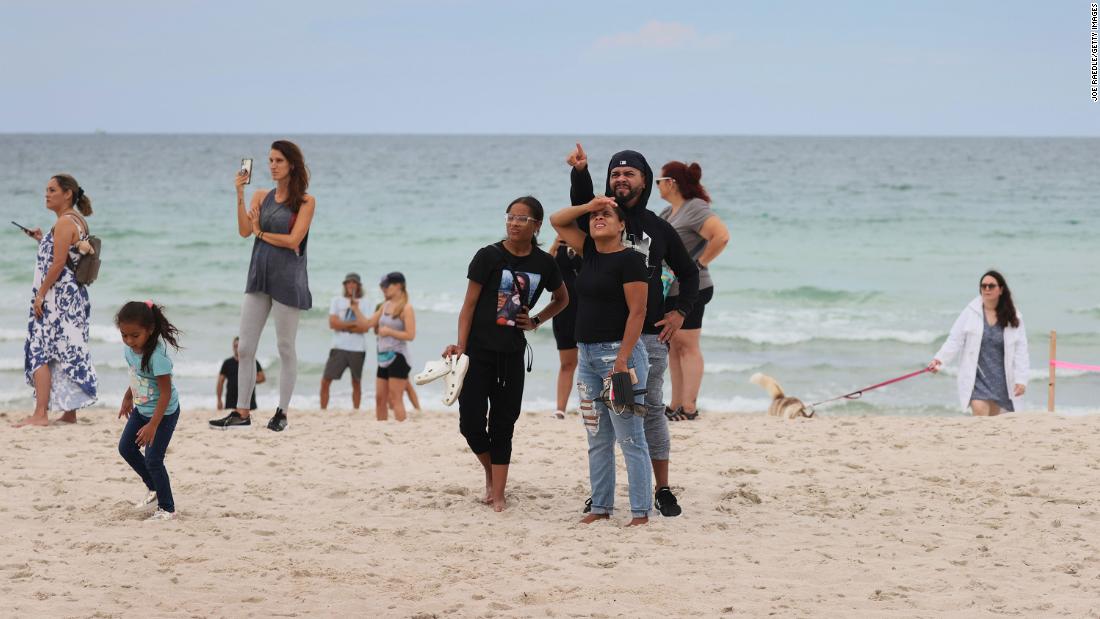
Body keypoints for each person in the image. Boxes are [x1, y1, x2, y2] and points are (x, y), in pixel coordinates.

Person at [567, 143, 699, 518]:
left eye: (629, 173)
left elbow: (689, 274)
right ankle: (604, 496)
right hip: (600, 336)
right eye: (615, 174)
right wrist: (580, 173)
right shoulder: (600, 218)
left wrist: (678, 313)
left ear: (644, 180)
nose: (621, 179)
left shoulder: (659, 228)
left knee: (650, 411)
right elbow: (580, 205)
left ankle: (661, 489)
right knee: (603, 419)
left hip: (646, 336)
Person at [442, 196, 568, 512]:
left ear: (536, 225)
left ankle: (498, 494)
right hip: (478, 353)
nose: (513, 223)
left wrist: (536, 320)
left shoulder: (544, 263)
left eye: (521, 218)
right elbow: (468, 306)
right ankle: (490, 470)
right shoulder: (488, 256)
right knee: (470, 424)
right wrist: (461, 346)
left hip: (512, 354)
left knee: (503, 424)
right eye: (510, 217)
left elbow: (562, 298)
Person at [551, 196, 652, 526]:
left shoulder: (631, 261)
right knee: (597, 437)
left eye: (607, 215)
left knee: (630, 437)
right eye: (595, 216)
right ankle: (601, 507)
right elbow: (558, 220)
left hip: (619, 358)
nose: (598, 218)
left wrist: (622, 360)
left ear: (622, 225)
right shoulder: (589, 253)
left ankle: (640, 512)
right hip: (587, 357)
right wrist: (590, 205)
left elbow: (638, 313)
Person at [210, 140, 314, 432]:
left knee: (285, 347)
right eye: (269, 160)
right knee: (245, 348)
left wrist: (260, 232)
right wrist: (240, 194)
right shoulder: (259, 195)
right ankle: (242, 411)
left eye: (278, 160)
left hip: (288, 280)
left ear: (291, 164)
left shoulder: (306, 202)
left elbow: (293, 240)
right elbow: (245, 231)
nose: (272, 166)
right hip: (258, 276)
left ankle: (281, 412)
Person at [16, 174, 98, 427]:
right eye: (46, 190)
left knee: (40, 349)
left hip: (57, 298)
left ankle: (40, 414)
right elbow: (69, 255)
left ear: (67, 194)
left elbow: (59, 263)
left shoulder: (64, 222)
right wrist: (42, 239)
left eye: (52, 190)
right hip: (71, 298)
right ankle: (69, 413)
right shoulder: (76, 220)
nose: (47, 194)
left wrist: (40, 294)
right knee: (65, 350)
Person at [656, 161, 730, 421]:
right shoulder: (668, 212)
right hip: (670, 288)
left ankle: (689, 407)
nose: (657, 186)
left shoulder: (695, 207)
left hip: (694, 287)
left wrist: (698, 265)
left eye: (659, 181)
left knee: (688, 345)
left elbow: (721, 236)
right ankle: (675, 404)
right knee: (674, 346)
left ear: (671, 183)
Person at [115, 301, 182, 521]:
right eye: (124, 335)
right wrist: (127, 397)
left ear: (149, 330)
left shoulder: (157, 357)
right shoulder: (130, 351)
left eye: (135, 335)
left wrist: (153, 425)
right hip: (142, 409)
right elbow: (136, 375)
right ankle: (154, 487)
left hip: (164, 413)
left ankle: (167, 508)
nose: (129, 341)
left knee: (153, 460)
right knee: (126, 448)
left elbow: (165, 393)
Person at [930, 270, 1029, 416]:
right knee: (979, 411)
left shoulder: (1014, 317)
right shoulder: (970, 312)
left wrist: (1021, 379)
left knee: (994, 423)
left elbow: (1021, 351)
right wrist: (940, 359)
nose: (987, 289)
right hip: (977, 379)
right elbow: (955, 339)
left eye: (991, 286)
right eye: (983, 286)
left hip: (1002, 380)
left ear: (1001, 289)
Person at [360, 272, 416, 422]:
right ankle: (382, 430)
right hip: (383, 357)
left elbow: (410, 335)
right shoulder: (385, 306)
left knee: (395, 398)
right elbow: (367, 324)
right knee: (379, 398)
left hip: (399, 356)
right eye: (382, 286)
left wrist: (390, 331)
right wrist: (355, 308)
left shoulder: (406, 308)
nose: (383, 288)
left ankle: (402, 430)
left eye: (386, 285)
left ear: (398, 286)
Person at [321, 273, 370, 410]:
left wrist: (347, 321)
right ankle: (323, 410)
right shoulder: (337, 301)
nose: (351, 285)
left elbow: (365, 327)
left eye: (354, 283)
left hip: (358, 348)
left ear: (359, 286)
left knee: (356, 381)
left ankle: (356, 410)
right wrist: (354, 324)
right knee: (326, 380)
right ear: (345, 285)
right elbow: (333, 324)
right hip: (339, 347)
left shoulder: (365, 303)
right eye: (348, 283)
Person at [550, 236, 583, 419]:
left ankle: (591, 404)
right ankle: (560, 409)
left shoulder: (589, 244)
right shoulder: (559, 247)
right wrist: (556, 244)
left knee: (593, 361)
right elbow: (544, 269)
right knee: (567, 362)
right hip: (563, 311)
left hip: (588, 308)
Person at [216, 337, 265, 412]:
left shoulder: (251, 361)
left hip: (249, 404)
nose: (237, 348)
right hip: (231, 403)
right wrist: (219, 400)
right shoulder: (227, 363)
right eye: (235, 346)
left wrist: (250, 380)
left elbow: (262, 378)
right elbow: (220, 382)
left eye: (238, 346)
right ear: (233, 347)